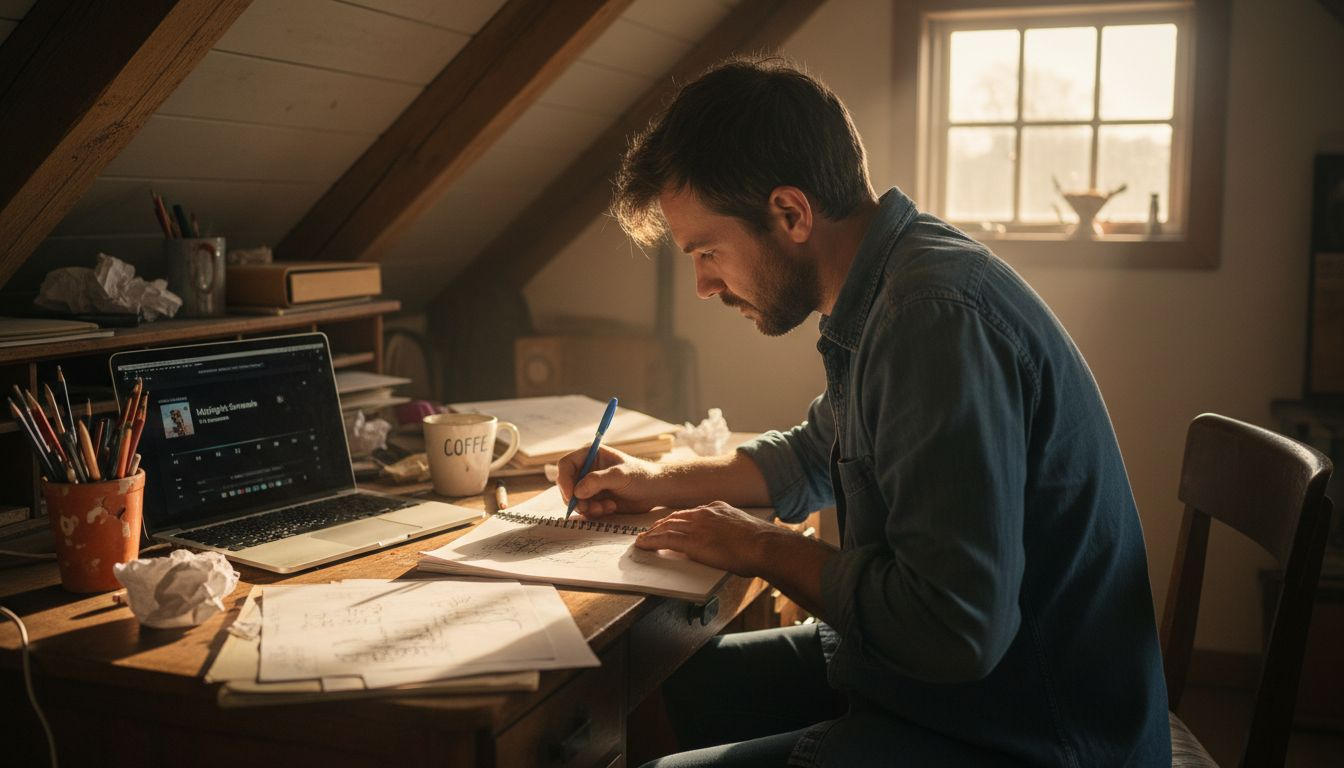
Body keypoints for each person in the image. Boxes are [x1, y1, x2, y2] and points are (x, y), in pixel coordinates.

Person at [558, 57, 1169, 767]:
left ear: (790, 213)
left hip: (1026, 730)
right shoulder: (894, 280)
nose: (702, 284)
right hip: (961, 694)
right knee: (650, 688)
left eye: (708, 251)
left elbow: (954, 628)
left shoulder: (928, 318)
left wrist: (760, 546)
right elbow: (817, 452)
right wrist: (654, 480)